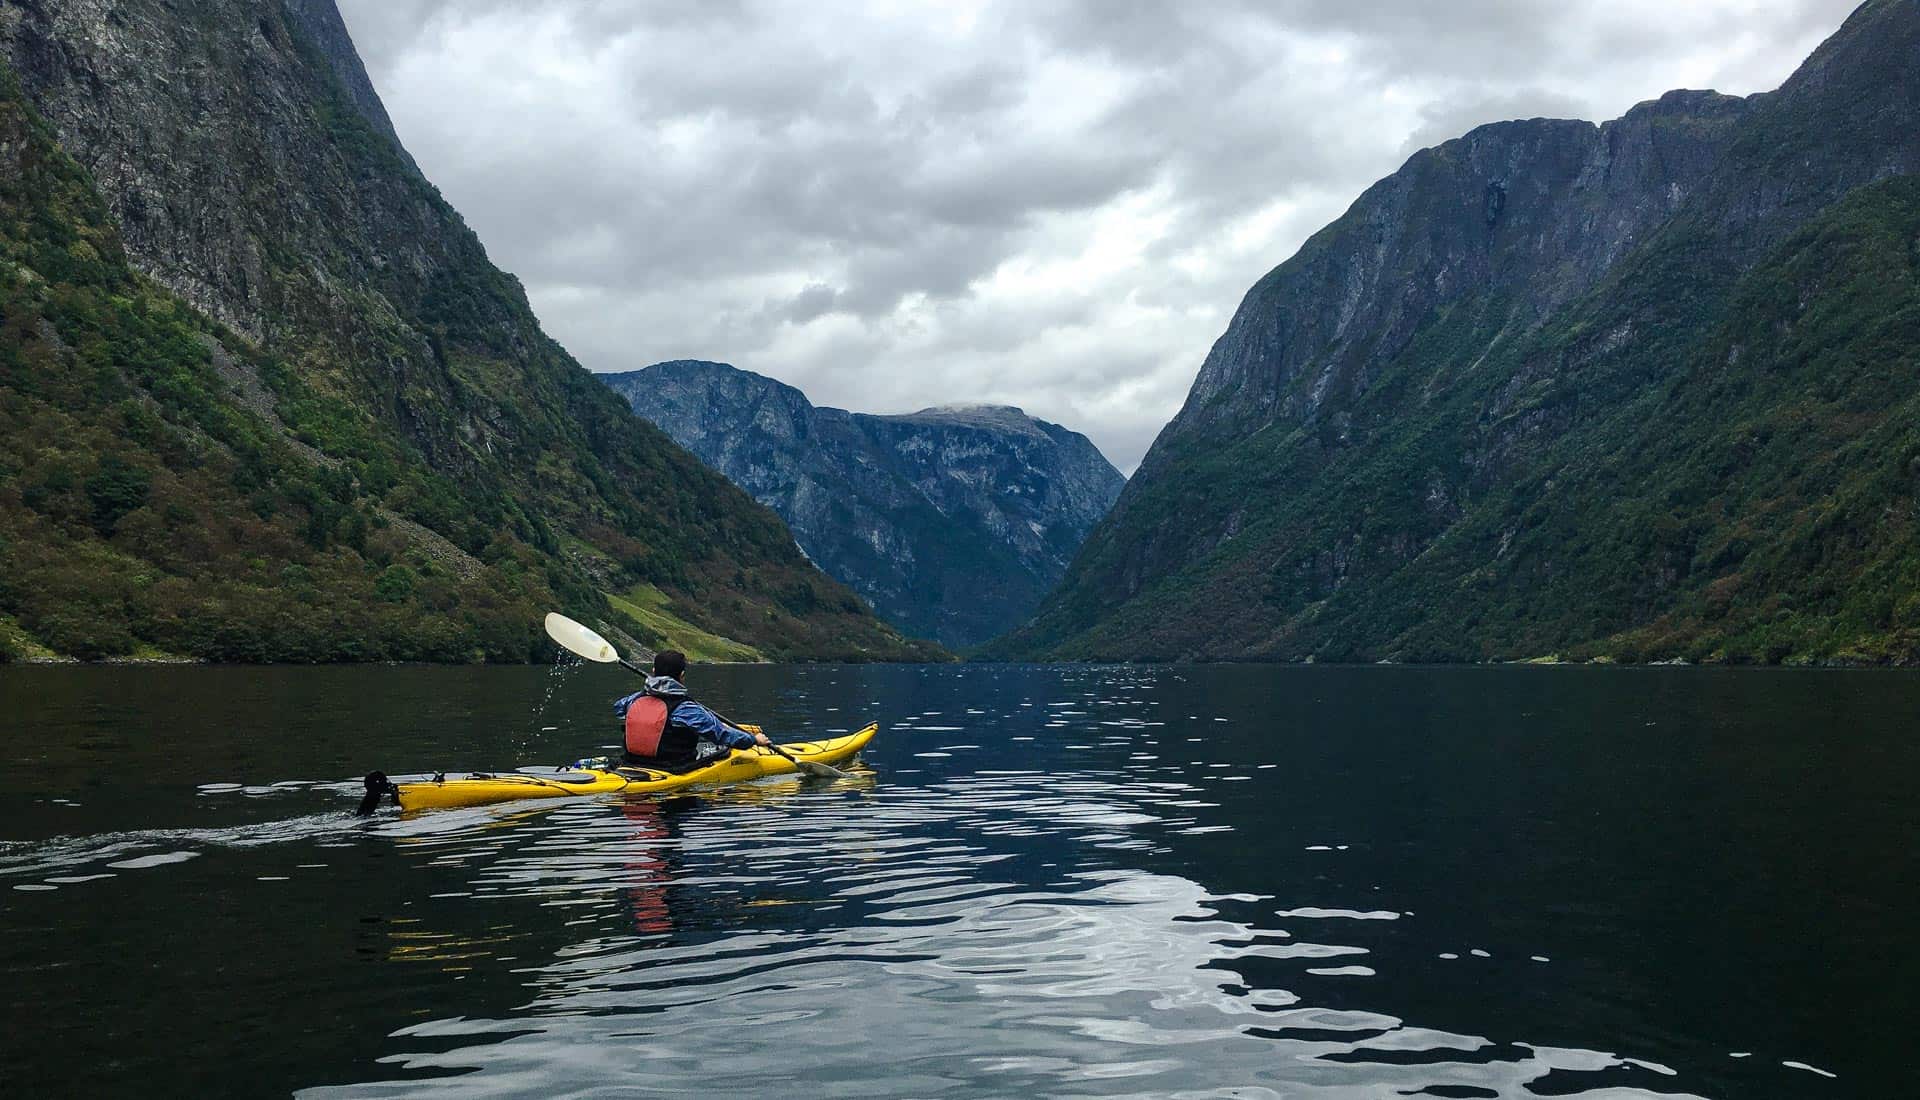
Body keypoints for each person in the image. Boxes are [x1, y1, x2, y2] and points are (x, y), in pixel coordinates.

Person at [614, 649, 771, 771]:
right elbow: (721, 734)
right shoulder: (687, 709)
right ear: (682, 676)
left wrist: (650, 689)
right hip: (672, 767)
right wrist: (754, 740)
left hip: (631, 762)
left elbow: (618, 708)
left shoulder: (632, 700)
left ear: (653, 671)